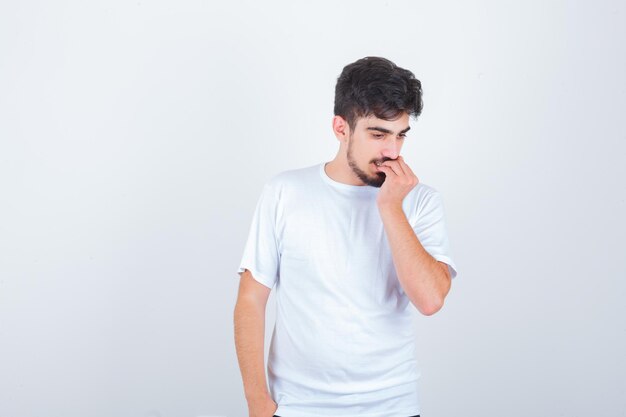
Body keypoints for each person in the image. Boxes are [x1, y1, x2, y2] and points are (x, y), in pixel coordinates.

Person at [234, 56, 458, 417]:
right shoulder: (285, 191)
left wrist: (390, 208)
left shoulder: (419, 200)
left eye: (400, 134)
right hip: (299, 406)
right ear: (341, 128)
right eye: (378, 134)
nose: (392, 151)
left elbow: (430, 300)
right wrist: (257, 401)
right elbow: (251, 299)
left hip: (392, 406)